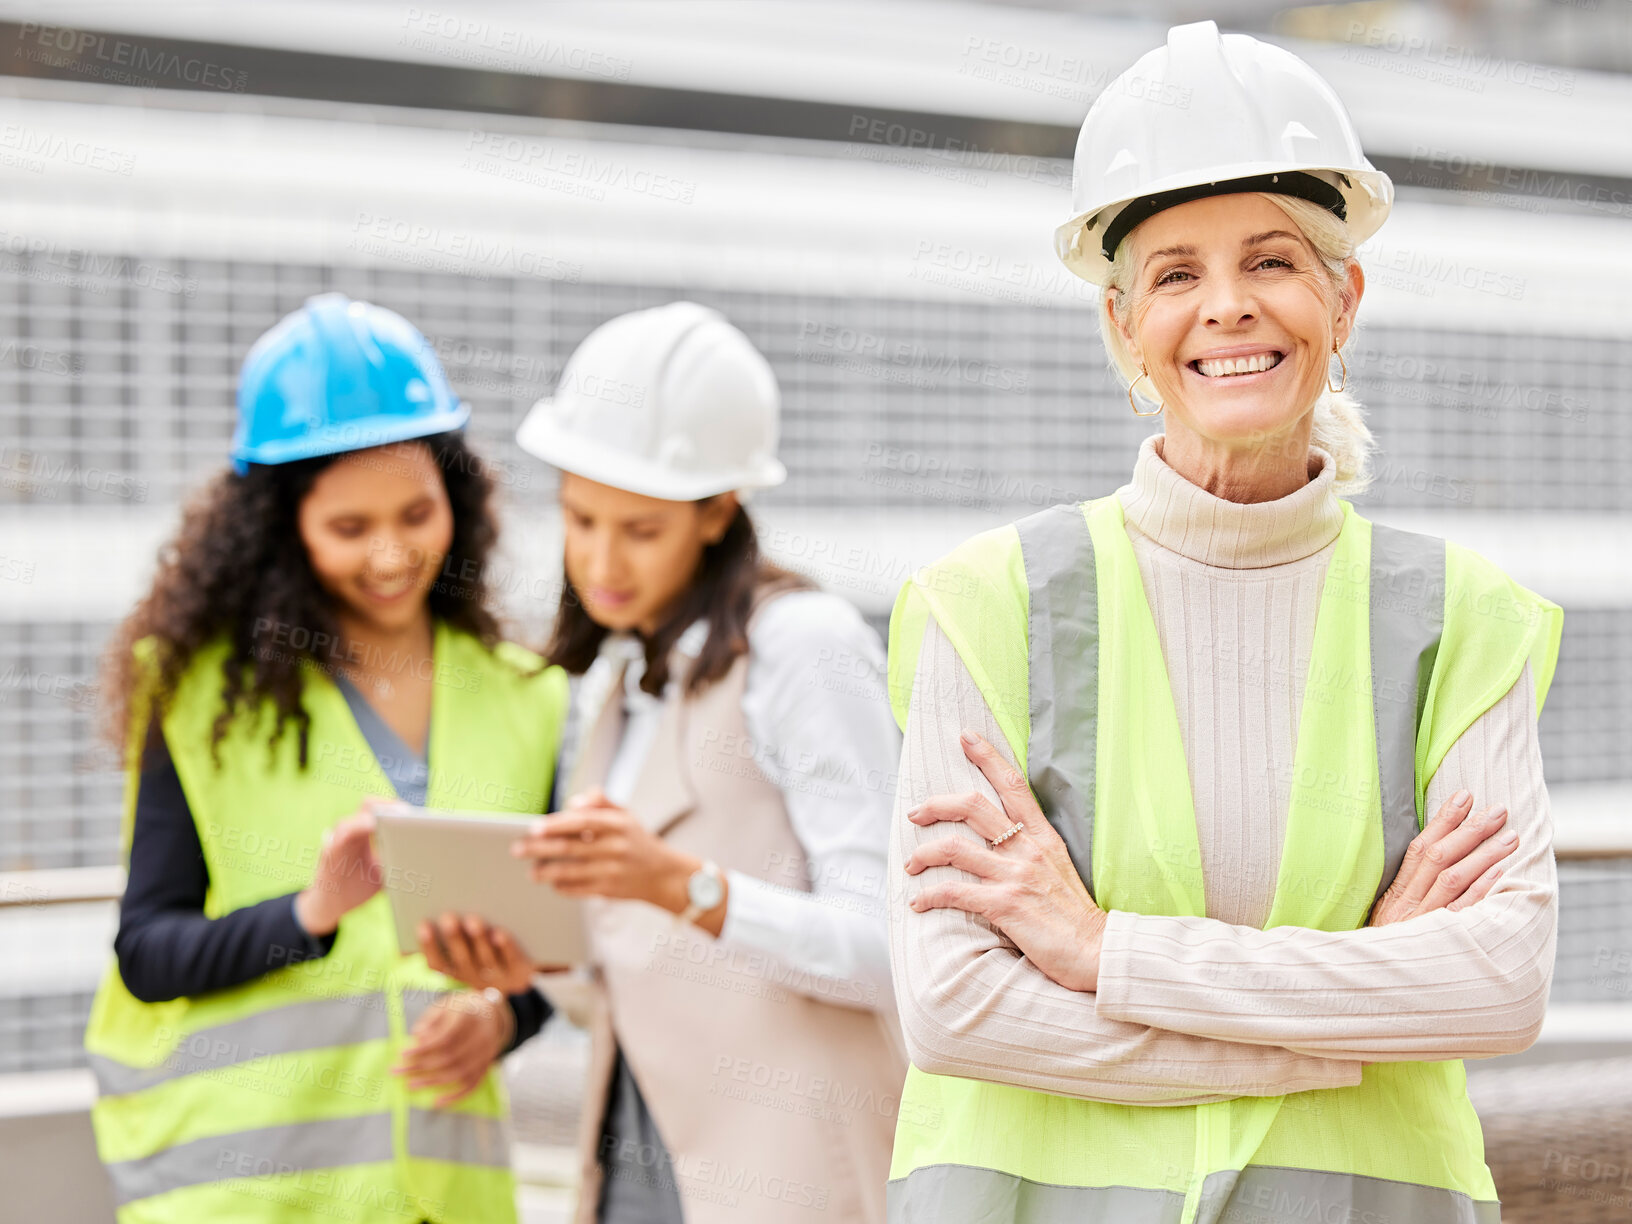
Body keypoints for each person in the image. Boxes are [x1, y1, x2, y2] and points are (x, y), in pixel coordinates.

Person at [884, 23, 1563, 1224]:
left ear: (1343, 299)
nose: (1229, 308)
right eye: (1177, 274)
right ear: (1121, 326)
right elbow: (955, 1007)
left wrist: (1105, 955)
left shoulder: (1464, 618)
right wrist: (1352, 1013)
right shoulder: (984, 604)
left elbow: (1498, 983)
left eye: (1273, 262)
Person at [81, 293, 570, 1223]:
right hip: (245, 1196)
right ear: (280, 529)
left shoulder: (526, 697)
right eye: (349, 528)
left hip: (444, 1197)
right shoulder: (194, 697)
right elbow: (148, 953)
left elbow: (558, 950)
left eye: (417, 514)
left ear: (456, 500)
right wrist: (310, 913)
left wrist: (504, 1018)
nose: (392, 554)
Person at [419, 301, 908, 1224]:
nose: (601, 560)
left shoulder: (803, 645)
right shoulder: (624, 685)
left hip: (791, 1169)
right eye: (580, 518)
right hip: (640, 1151)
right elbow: (631, 963)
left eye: (639, 530)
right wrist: (510, 976)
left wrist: (686, 886)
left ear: (720, 509)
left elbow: (885, 951)